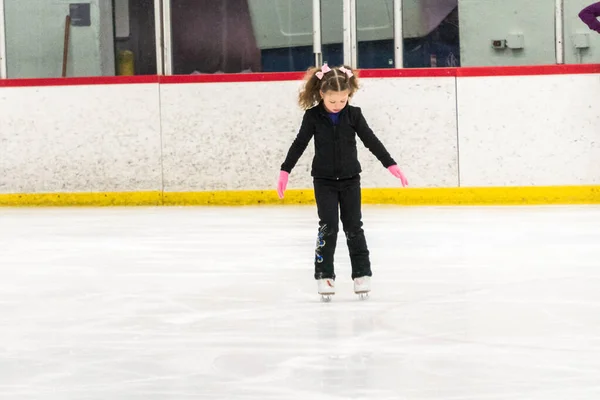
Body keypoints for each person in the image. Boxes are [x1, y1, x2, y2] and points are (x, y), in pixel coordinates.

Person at [276, 63, 408, 298]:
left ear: (349, 95)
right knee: (328, 228)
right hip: (324, 181)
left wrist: (390, 164)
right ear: (321, 94)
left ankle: (361, 274)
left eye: (343, 100)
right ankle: (324, 275)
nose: (338, 105)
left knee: (354, 227)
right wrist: (285, 170)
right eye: (332, 101)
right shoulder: (313, 117)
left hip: (350, 181)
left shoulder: (354, 115)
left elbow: (371, 140)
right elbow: (299, 144)